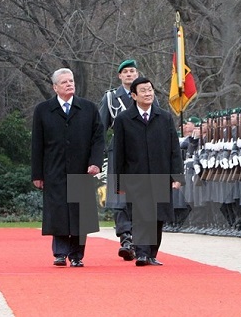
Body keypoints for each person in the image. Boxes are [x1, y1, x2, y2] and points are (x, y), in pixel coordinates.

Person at [31, 67, 105, 267]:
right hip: (54, 169)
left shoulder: (88, 108)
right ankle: (60, 253)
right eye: (64, 82)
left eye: (71, 81)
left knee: (80, 213)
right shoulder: (43, 110)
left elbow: (98, 139)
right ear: (55, 87)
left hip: (82, 168)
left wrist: (95, 162)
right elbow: (37, 143)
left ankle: (77, 255)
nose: (69, 84)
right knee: (58, 212)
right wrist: (37, 174)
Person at [114, 76, 184, 266]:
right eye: (143, 91)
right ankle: (142, 253)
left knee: (157, 216)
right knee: (140, 215)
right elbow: (118, 153)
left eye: (150, 90)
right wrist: (119, 182)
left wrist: (177, 176)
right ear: (134, 95)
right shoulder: (124, 119)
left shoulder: (164, 117)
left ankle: (152, 253)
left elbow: (174, 149)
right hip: (135, 176)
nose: (148, 94)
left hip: (160, 174)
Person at [98, 59, 137, 261]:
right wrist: (96, 154)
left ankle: (139, 238)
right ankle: (125, 237)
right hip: (119, 149)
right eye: (126, 72)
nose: (129, 74)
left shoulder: (147, 94)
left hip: (142, 152)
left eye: (132, 71)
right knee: (120, 196)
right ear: (120, 76)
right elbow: (101, 127)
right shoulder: (111, 97)